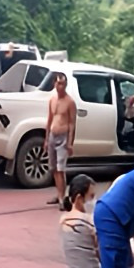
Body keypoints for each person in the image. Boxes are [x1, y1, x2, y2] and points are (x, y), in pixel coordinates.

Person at [59, 175, 101, 268]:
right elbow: (102, 255)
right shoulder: (90, 222)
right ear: (78, 198)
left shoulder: (62, 220)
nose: (94, 201)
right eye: (91, 196)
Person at [45, 73, 77, 205]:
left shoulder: (70, 102)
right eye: (58, 83)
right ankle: (58, 193)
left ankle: (62, 197)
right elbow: (49, 119)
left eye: (63, 84)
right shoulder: (52, 100)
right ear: (54, 84)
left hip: (63, 137)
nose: (61, 86)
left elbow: (72, 124)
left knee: (60, 168)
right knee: (53, 168)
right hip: (53, 135)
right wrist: (46, 139)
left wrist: (70, 143)